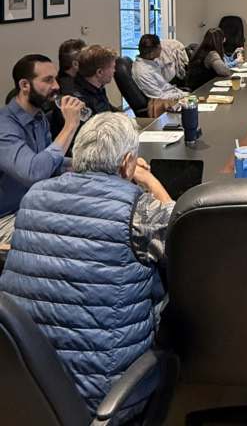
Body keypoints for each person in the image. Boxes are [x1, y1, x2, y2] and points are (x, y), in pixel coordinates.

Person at [0, 112, 174, 421]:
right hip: (105, 396)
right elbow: (181, 229)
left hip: (25, 384)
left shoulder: (34, 195)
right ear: (127, 163)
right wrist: (149, 179)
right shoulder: (137, 209)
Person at [0, 55, 83, 243]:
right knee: (72, 236)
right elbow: (35, 172)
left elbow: (51, 163)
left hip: (32, 206)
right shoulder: (4, 126)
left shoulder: (39, 118)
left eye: (55, 79)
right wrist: (70, 125)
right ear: (24, 85)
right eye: (47, 80)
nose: (56, 86)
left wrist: (97, 164)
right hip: (6, 217)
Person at [132, 34, 186, 100]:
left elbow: (164, 86)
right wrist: (182, 95)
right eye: (159, 48)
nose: (161, 49)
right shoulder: (143, 72)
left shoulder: (150, 62)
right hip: (165, 103)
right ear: (152, 53)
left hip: (172, 93)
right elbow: (159, 98)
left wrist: (181, 93)